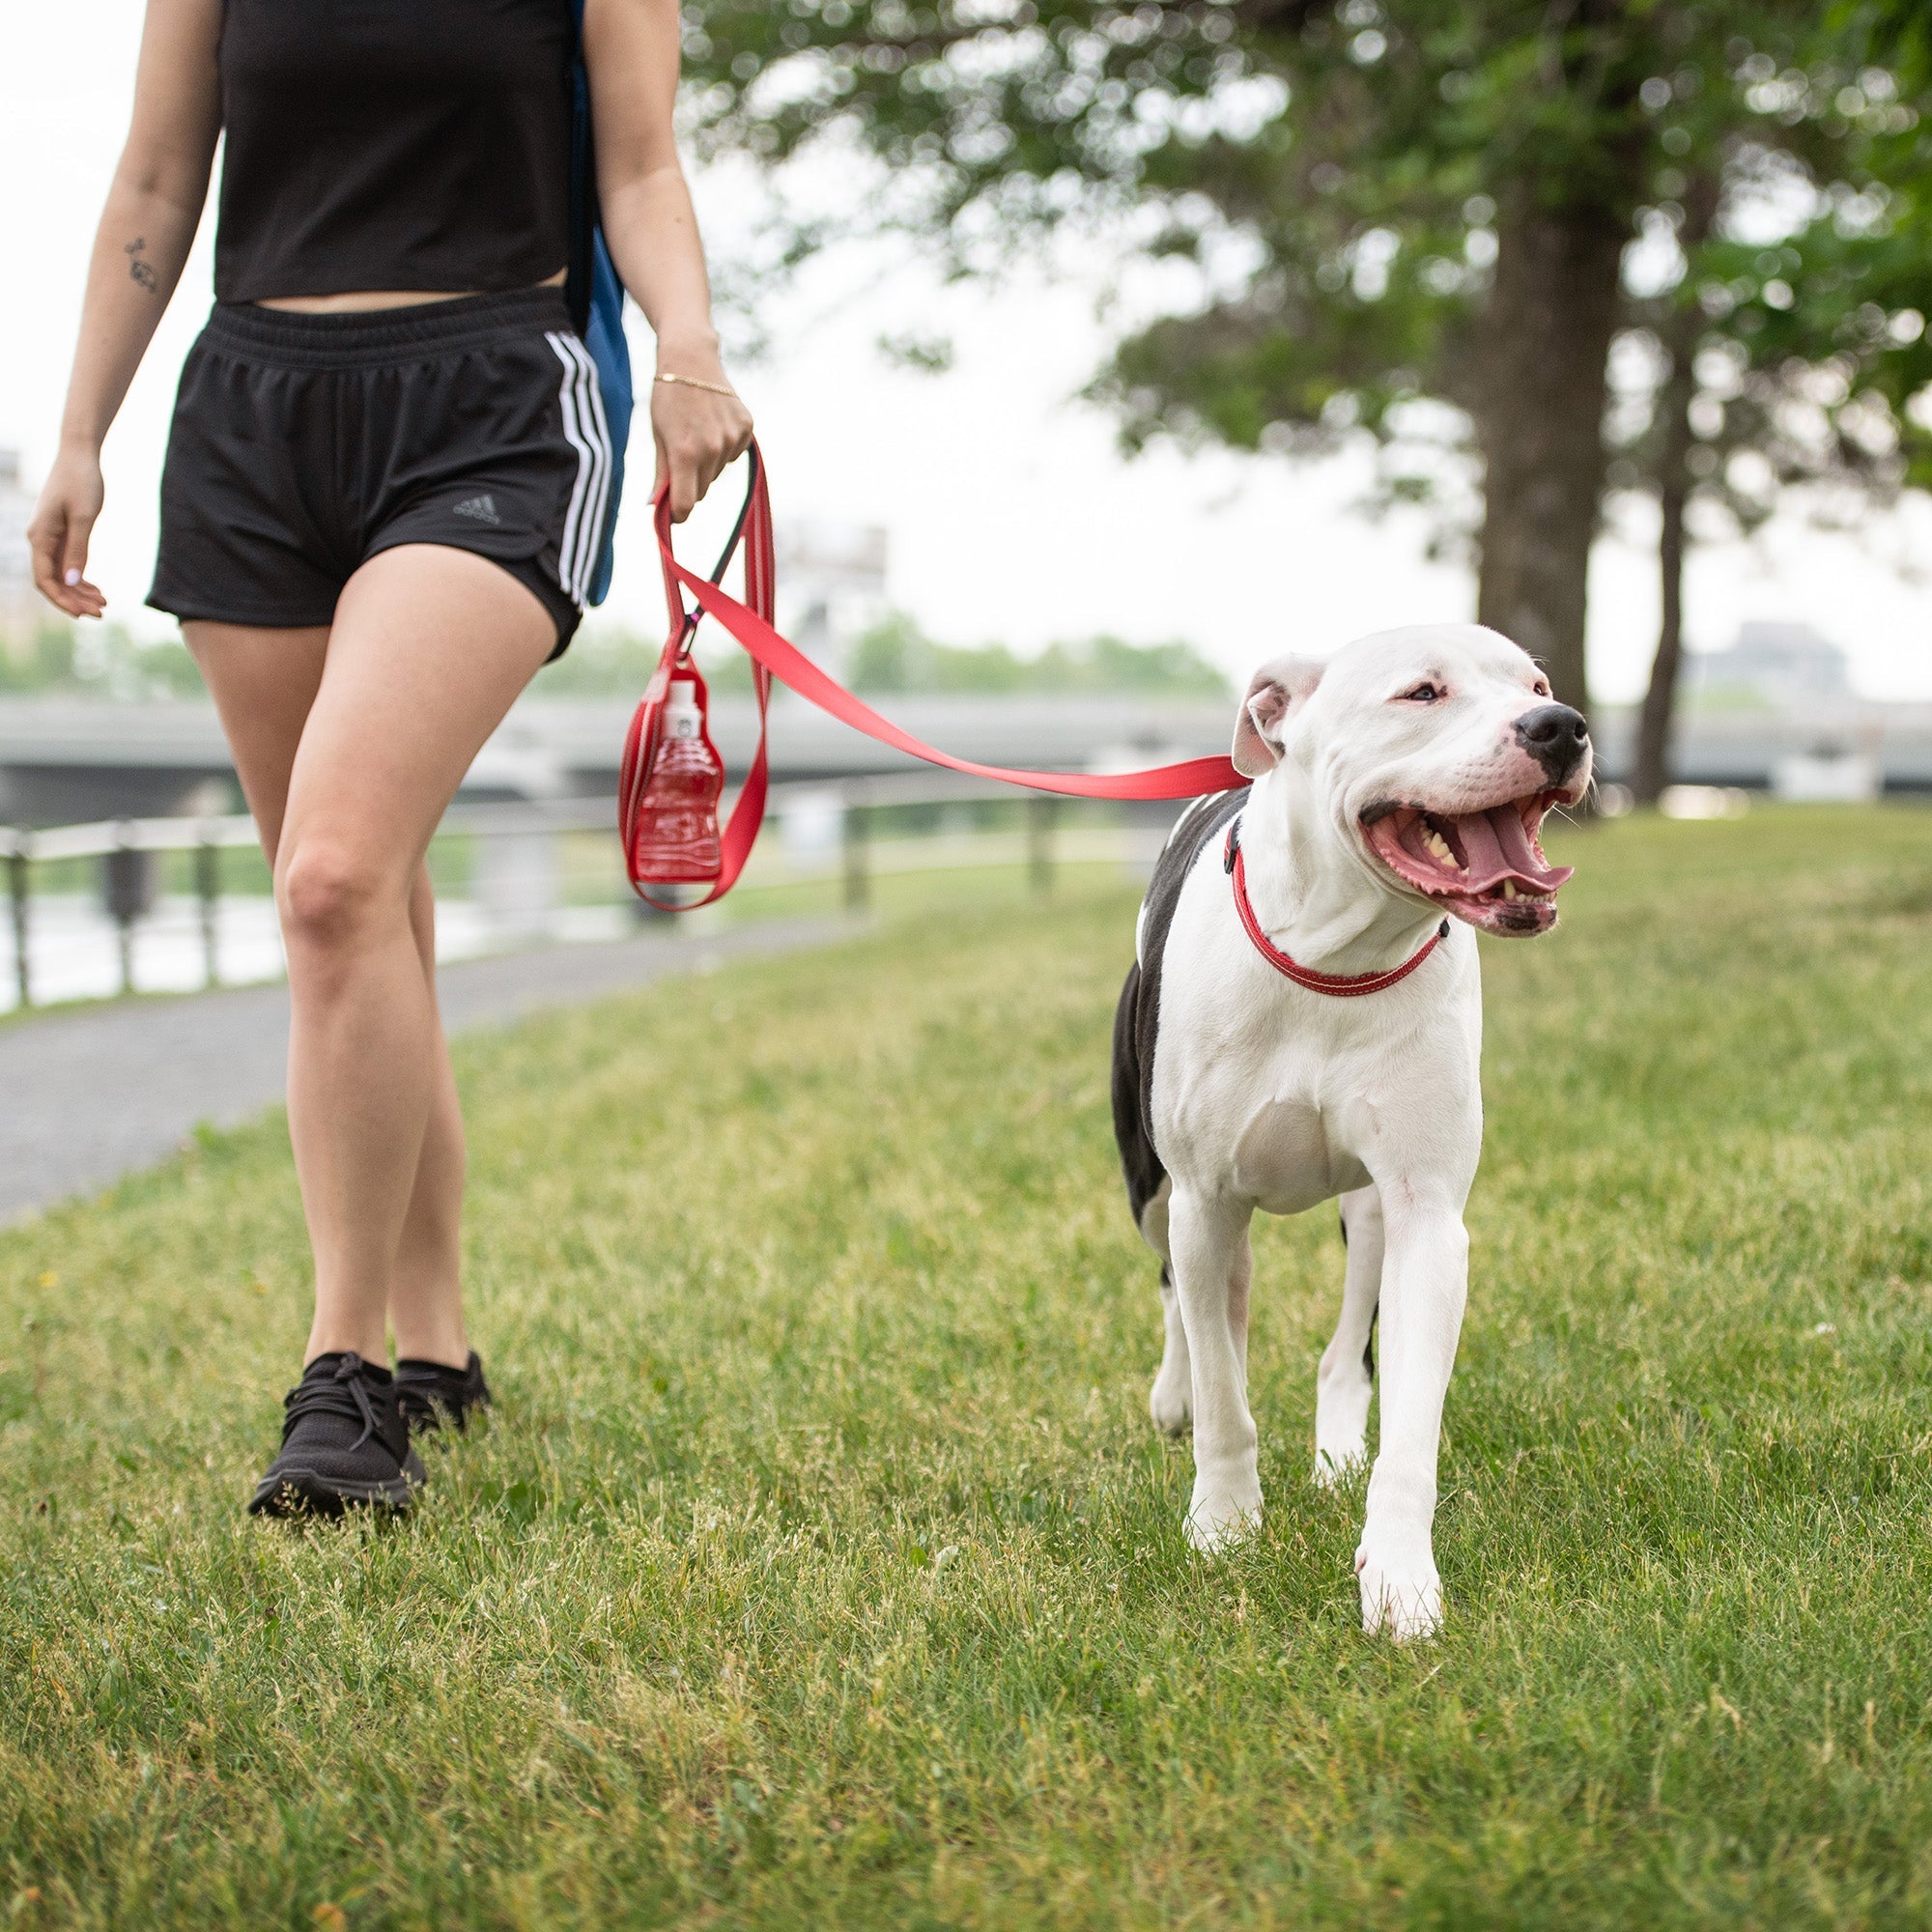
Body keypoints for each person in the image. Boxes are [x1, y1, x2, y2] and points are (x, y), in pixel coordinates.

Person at [28, 0, 753, 1517]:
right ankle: (440, 1349)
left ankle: (344, 1383)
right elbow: (161, 179)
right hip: (249, 419)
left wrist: (687, 342)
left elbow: (639, 164)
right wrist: (80, 428)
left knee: (329, 881)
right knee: (367, 903)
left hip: (495, 402)